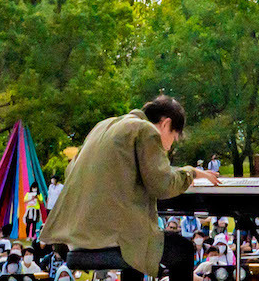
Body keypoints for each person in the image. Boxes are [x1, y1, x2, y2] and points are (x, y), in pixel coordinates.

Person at [39, 95, 220, 281]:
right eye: (173, 137)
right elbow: (162, 185)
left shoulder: (103, 127)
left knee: (137, 244)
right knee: (182, 250)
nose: (170, 146)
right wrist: (191, 173)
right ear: (166, 124)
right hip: (109, 237)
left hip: (76, 237)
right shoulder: (146, 130)